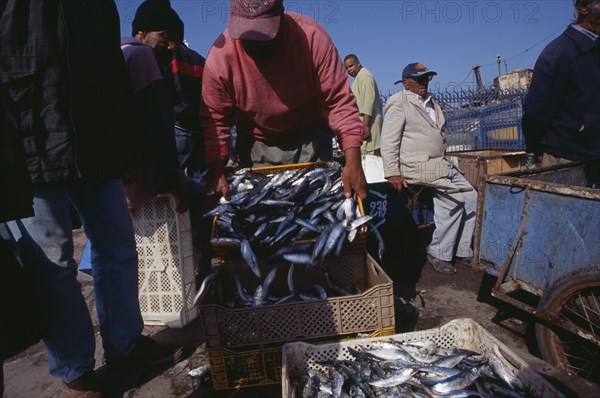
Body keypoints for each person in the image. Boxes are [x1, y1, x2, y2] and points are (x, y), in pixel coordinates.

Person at [0, 2, 184, 397]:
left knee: (118, 246)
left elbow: (113, 74)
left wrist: (125, 143)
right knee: (51, 263)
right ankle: (75, 370)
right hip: (28, 139)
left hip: (97, 141)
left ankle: (125, 345)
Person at [200, 0, 367, 201]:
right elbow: (215, 120)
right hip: (256, 144)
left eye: (264, 35)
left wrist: (353, 159)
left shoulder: (312, 38)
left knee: (314, 205)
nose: (256, 44)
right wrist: (216, 168)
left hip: (311, 138)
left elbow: (339, 102)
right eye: (247, 35)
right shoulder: (220, 58)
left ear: (280, 16)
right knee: (264, 211)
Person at [380, 63, 478, 275]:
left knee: (471, 196)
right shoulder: (398, 102)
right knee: (454, 200)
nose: (424, 83)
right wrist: (392, 172)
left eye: (427, 78)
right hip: (416, 166)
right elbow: (388, 140)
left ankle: (461, 249)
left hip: (440, 164)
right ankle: (438, 252)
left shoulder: (431, 102)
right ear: (406, 82)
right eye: (419, 79)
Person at [122, 0, 193, 211]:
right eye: (165, 36)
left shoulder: (117, 53)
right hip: (140, 184)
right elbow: (157, 127)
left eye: (176, 40)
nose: (172, 46)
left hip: (116, 183)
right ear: (141, 34)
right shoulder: (143, 56)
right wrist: (173, 184)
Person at [522, 0, 600, 172]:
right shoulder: (560, 52)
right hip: (568, 161)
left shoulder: (594, 51)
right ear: (585, 7)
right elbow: (536, 112)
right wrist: (535, 148)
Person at [343, 54, 383, 156]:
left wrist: (365, 125)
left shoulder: (364, 76)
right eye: (346, 68)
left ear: (358, 63)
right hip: (362, 126)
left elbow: (367, 102)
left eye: (351, 66)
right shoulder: (359, 78)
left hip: (369, 126)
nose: (349, 70)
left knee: (371, 159)